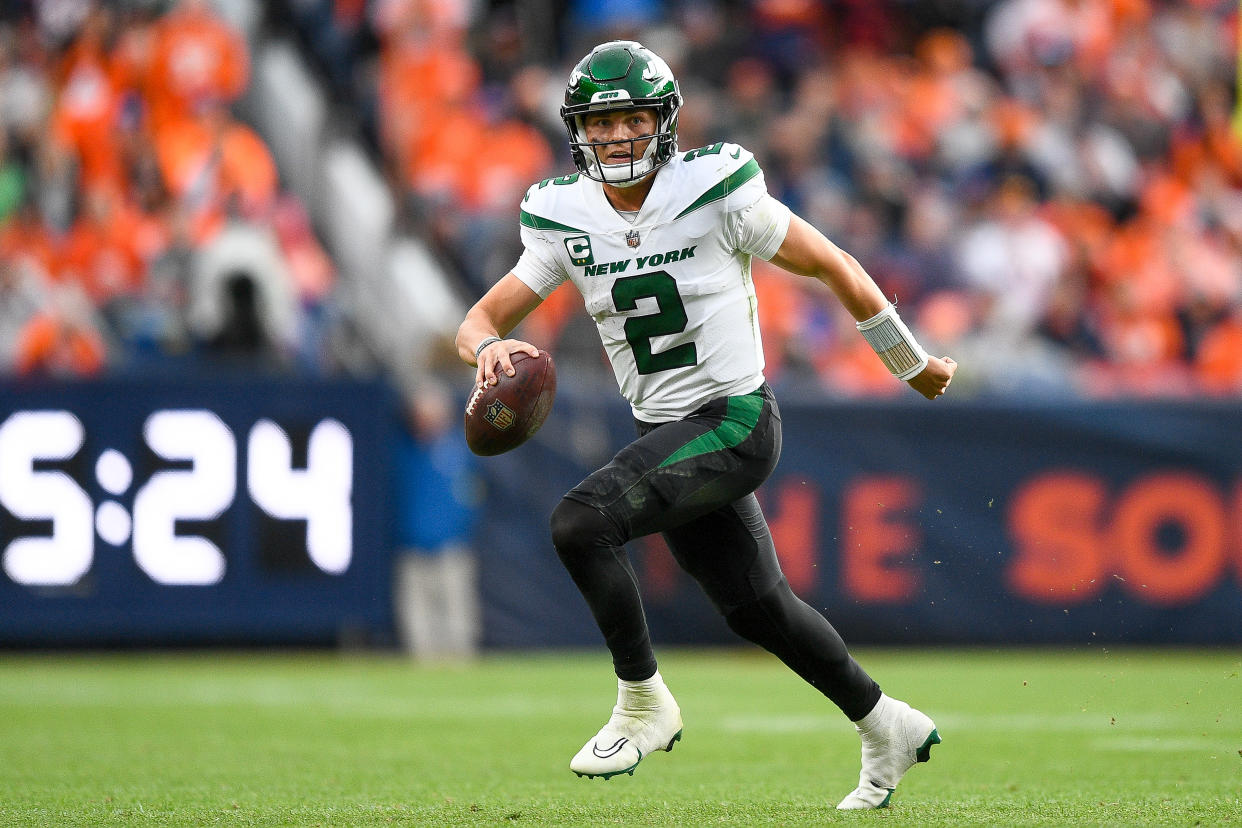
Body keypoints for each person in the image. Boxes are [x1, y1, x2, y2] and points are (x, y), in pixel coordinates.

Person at [455, 40, 957, 810]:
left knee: (580, 523)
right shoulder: (562, 215)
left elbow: (830, 262)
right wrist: (490, 348)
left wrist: (908, 360)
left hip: (735, 418)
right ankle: (885, 723)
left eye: (631, 119)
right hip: (665, 428)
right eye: (602, 122)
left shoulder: (715, 186)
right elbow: (480, 318)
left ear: (663, 122)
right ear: (577, 132)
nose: (618, 137)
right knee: (759, 609)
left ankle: (642, 702)